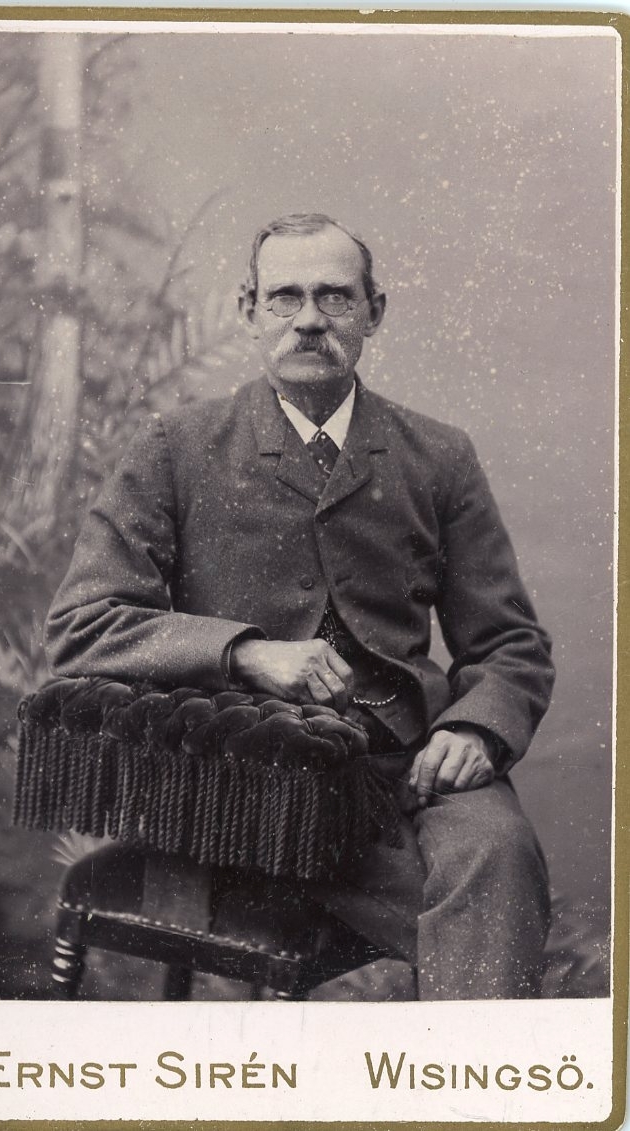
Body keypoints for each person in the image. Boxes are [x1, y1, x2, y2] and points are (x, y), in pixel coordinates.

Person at [45, 212, 555, 1000]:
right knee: (473, 915)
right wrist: (245, 653)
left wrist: (475, 729)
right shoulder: (175, 447)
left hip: (408, 763)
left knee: (499, 854)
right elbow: (83, 625)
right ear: (248, 309)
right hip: (251, 776)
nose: (310, 319)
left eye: (334, 296)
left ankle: (472, 1068)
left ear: (372, 313)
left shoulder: (437, 454)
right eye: (285, 296)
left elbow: (508, 642)